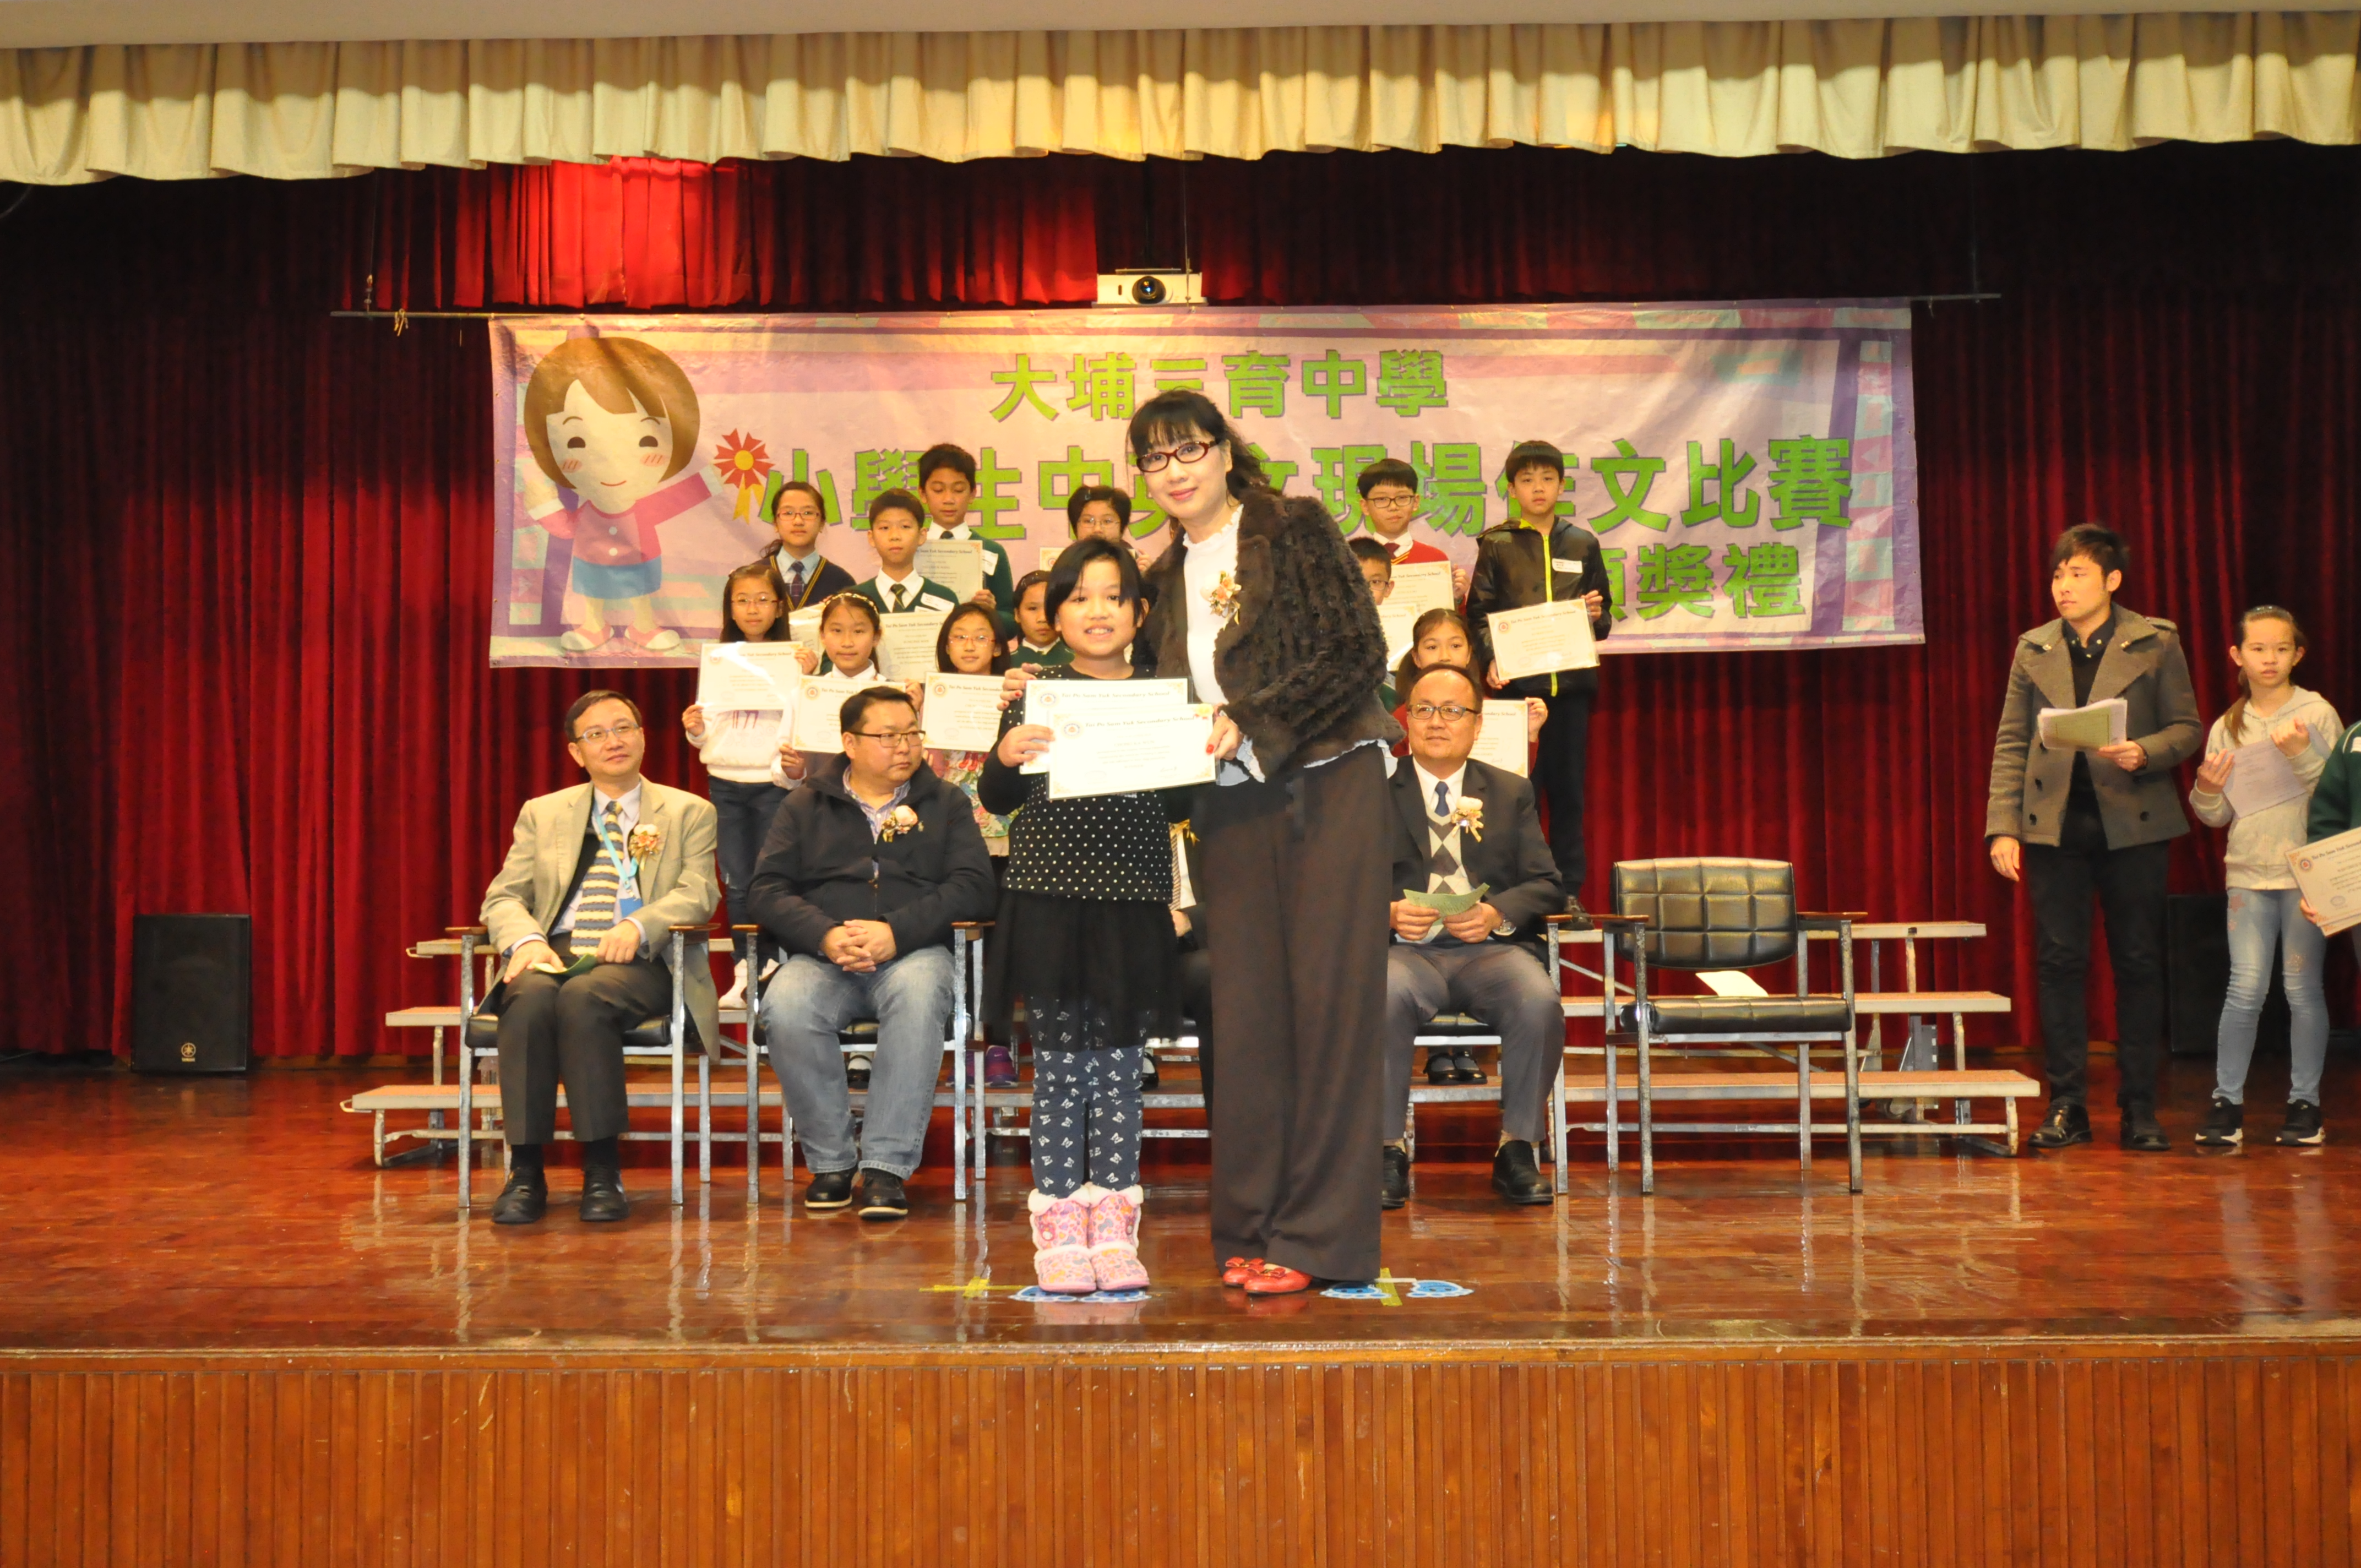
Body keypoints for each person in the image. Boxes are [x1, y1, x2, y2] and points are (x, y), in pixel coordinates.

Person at [1128, 388, 1396, 1295]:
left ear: (1223, 450)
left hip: (1327, 779)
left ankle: (1318, 1238)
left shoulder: (1292, 526)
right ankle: (1250, 1223)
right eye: (1154, 459)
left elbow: (1356, 650)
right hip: (1231, 804)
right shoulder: (1162, 572)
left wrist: (1252, 718)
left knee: (1327, 1008)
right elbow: (1160, 701)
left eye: (1187, 449)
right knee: (1245, 1017)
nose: (1173, 471)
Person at [978, 537, 1187, 1293]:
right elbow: (997, 798)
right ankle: (1062, 1226)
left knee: (1122, 1072)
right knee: (1062, 1072)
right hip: (1048, 903)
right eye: (1079, 598)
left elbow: (1186, 802)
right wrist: (1006, 751)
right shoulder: (1035, 692)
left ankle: (1116, 1226)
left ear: (1140, 612)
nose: (1098, 611)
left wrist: (1191, 743)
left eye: (1114, 597)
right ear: (1055, 615)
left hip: (1131, 906)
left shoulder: (1163, 694)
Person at [1985, 524, 2201, 1153]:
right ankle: (2067, 1104)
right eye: (2057, 574)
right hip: (2054, 826)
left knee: (2137, 962)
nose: (2063, 585)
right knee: (2059, 963)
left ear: (2112, 581)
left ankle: (2140, 1107)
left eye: (2077, 573)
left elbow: (2186, 727)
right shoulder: (2034, 648)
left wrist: (2144, 750)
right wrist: (2003, 826)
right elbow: (2011, 741)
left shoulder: (2154, 641)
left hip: (2133, 824)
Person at [747, 686, 996, 1219]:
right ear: (850, 743)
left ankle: (885, 1166)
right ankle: (831, 1163)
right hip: (824, 957)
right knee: (785, 1005)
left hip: (913, 953)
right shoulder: (805, 802)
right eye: (888, 736)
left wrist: (895, 931)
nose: (904, 747)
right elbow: (765, 890)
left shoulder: (946, 801)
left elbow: (975, 886)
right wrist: (823, 934)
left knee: (920, 994)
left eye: (912, 734)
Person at [477, 691, 721, 1225]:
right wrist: (527, 941)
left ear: (643, 736)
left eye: (623, 727)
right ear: (576, 752)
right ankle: (525, 1170)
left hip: (643, 957)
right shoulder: (543, 813)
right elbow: (503, 896)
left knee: (586, 997)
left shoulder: (689, 811)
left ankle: (602, 1170)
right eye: (597, 734)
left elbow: (699, 893)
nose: (613, 740)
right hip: (556, 948)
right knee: (528, 999)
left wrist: (638, 925)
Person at [1381, 664, 1566, 1210]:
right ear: (1406, 719)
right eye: (1423, 709)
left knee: (1538, 1001)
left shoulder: (1509, 791)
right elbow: (1334, 884)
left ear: (1478, 724)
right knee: (1379, 995)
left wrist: (1495, 913)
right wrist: (1386, 914)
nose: (1437, 722)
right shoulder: (1371, 791)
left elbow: (1546, 884)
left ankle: (1518, 1147)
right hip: (1406, 954)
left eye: (1452, 710)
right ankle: (1386, 1147)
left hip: (1490, 952)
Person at [2189, 608, 2340, 1147]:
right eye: (2257, 649)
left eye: (2280, 649)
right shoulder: (2227, 726)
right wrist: (2207, 789)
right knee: (2245, 987)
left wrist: (2302, 756)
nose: (2269, 659)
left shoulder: (2317, 713)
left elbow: (2339, 795)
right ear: (2238, 655)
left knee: (2301, 987)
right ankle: (2226, 1102)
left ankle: (2305, 1103)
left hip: (2305, 874)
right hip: (2248, 873)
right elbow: (2215, 815)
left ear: (2297, 654)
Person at [1465, 440, 1612, 914]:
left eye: (1547, 479)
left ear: (1562, 485)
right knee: (1512, 795)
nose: (1538, 488)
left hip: (1570, 692)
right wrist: (1491, 658)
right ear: (1512, 490)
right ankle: (1510, 896)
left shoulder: (1583, 543)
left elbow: (1604, 621)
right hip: (1517, 695)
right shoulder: (1498, 544)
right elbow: (1479, 614)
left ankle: (1568, 893)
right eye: (1527, 480)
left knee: (1568, 796)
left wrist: (1595, 615)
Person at [682, 560, 809, 1005]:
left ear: (779, 607)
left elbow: (808, 721)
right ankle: (746, 970)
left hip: (774, 783)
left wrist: (807, 676)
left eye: (762, 600)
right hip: (726, 782)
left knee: (773, 878)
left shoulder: (797, 658)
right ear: (730, 608)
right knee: (737, 882)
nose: (752, 609)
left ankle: (778, 965)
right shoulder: (720, 661)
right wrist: (696, 729)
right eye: (742, 600)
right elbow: (708, 731)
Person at [918, 444, 1017, 618]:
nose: (949, 499)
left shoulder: (992, 551)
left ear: (972, 494)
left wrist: (991, 612)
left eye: (958, 490)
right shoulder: (913, 549)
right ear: (923, 494)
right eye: (938, 490)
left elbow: (1011, 619)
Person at [1356, 458, 1466, 602]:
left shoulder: (1435, 560)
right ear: (1365, 506)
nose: (1393, 507)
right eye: (1382, 499)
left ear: (1416, 502)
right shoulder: (1352, 559)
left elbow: (1447, 615)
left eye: (1402, 497)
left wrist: (1456, 598)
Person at [854, 490, 962, 620]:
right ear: (871, 538)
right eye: (885, 528)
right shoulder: (854, 600)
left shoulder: (945, 599)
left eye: (905, 527)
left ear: (922, 536)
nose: (895, 536)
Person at [758, 477, 857, 613]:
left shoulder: (841, 582)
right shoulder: (753, 577)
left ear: (822, 523)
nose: (798, 521)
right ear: (775, 523)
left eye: (808, 513)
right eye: (788, 513)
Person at [1008, 570, 1071, 668]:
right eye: (1033, 609)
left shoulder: (1079, 663)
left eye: (1050, 608)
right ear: (1017, 615)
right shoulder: (1003, 664)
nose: (1043, 618)